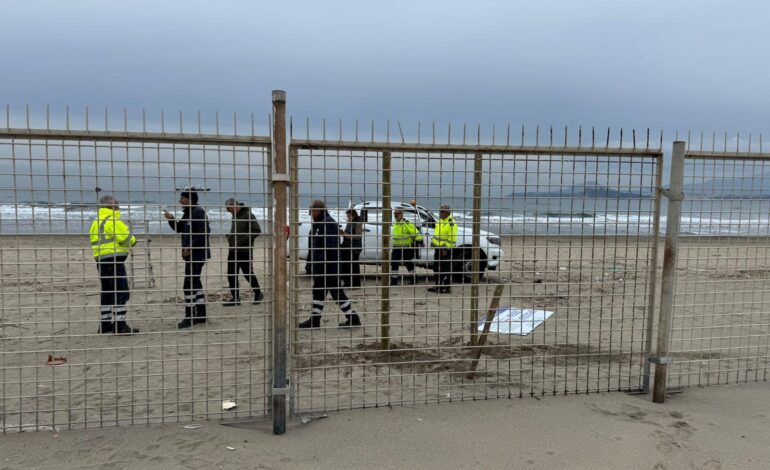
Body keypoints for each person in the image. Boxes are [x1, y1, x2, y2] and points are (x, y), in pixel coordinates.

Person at [299, 200, 362, 329]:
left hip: (328, 268)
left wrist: (321, 265)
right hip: (324, 267)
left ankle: (352, 318)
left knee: (335, 294)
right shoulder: (320, 223)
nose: (311, 214)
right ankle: (315, 320)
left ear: (318, 211)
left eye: (312, 212)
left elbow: (330, 248)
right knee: (320, 293)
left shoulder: (327, 224)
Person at [89, 194, 139, 334]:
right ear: (109, 205)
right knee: (121, 292)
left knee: (107, 292)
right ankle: (120, 325)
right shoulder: (112, 220)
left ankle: (105, 324)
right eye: (115, 202)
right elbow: (126, 238)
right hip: (114, 260)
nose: (118, 204)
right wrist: (134, 240)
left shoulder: (97, 221)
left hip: (101, 260)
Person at [163, 189, 211, 329]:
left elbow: (204, 232)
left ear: (190, 200)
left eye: (182, 198)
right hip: (191, 255)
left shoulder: (198, 212)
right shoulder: (188, 213)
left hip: (197, 254)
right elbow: (179, 228)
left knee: (189, 284)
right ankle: (201, 315)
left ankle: (190, 317)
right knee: (195, 282)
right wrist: (171, 219)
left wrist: (189, 247)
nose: (180, 201)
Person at [223, 198, 264, 306]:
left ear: (234, 205)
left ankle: (258, 293)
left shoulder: (248, 215)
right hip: (233, 250)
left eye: (229, 208)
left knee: (247, 273)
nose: (228, 211)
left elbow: (256, 231)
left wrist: (240, 241)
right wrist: (230, 237)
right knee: (231, 274)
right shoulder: (235, 215)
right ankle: (235, 298)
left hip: (244, 251)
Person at [428, 204, 457, 294]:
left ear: (447, 212)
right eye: (440, 211)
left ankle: (446, 287)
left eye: (442, 211)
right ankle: (438, 286)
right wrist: (433, 242)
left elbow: (452, 238)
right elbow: (437, 233)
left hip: (445, 250)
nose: (440, 213)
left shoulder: (451, 223)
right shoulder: (440, 221)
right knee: (437, 268)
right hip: (438, 248)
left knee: (445, 269)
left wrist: (445, 248)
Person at [390, 208, 423, 285]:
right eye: (395, 213)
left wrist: (420, 241)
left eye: (397, 213)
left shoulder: (407, 223)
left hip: (406, 247)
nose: (395, 215)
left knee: (408, 264)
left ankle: (414, 278)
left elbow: (416, 233)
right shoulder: (395, 223)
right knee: (394, 263)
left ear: (402, 214)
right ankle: (393, 281)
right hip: (396, 247)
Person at [340, 208, 363, 288]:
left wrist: (347, 235)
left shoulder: (358, 223)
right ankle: (347, 283)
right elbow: (347, 233)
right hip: (347, 246)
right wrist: (343, 233)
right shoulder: (349, 222)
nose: (348, 217)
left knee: (353, 266)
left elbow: (358, 236)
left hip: (354, 248)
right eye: (347, 216)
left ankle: (355, 284)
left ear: (353, 215)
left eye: (349, 216)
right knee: (346, 265)